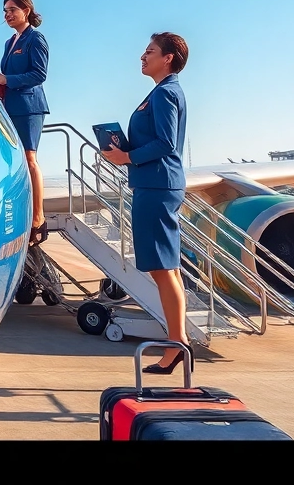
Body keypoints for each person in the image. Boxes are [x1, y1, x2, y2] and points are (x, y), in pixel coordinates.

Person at [100, 32, 191, 374]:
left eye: (150, 51)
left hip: (156, 185)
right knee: (166, 269)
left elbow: (166, 143)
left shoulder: (166, 93)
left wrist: (127, 156)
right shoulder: (160, 92)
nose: (143, 55)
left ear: (167, 58)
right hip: (154, 183)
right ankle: (177, 342)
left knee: (162, 270)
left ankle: (177, 345)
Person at [0, 0, 50, 243]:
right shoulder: (10, 42)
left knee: (30, 158)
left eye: (12, 10)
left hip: (30, 106)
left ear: (26, 10)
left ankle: (38, 218)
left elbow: (39, 74)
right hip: (9, 106)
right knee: (14, 159)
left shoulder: (36, 39)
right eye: (4, 11)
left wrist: (6, 80)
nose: (7, 15)